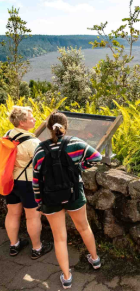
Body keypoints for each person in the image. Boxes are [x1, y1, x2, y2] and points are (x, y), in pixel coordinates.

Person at [32, 111, 102, 290]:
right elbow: (97, 157)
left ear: (48, 128)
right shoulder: (75, 143)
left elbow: (36, 180)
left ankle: (67, 277)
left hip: (50, 198)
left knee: (59, 238)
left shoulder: (40, 149)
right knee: (84, 227)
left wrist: (39, 202)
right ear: (66, 126)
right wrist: (79, 166)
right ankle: (95, 260)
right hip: (74, 194)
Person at [4, 106, 53, 258]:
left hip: (10, 180)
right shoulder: (33, 142)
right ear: (23, 122)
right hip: (28, 183)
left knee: (12, 213)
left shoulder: (8, 135)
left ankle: (14, 245)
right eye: (31, 118)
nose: (35, 120)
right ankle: (37, 248)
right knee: (32, 216)